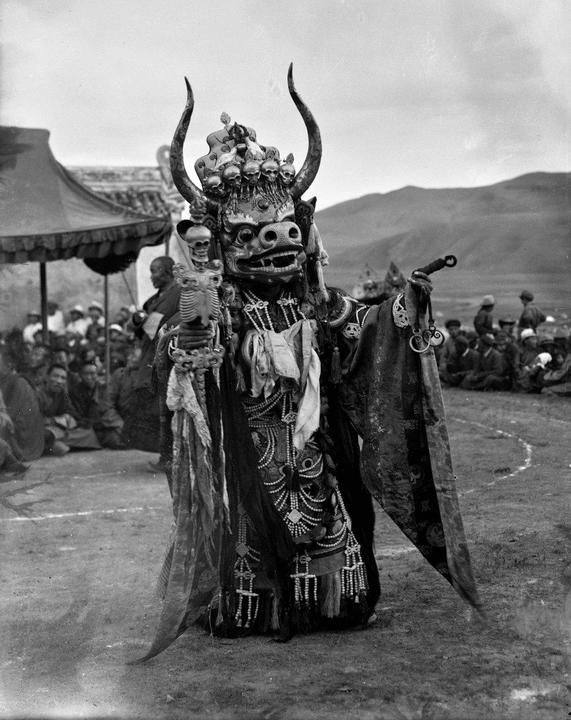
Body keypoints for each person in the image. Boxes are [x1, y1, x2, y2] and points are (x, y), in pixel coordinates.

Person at [137, 73, 481, 660]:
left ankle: (327, 597)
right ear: (222, 243)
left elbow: (365, 329)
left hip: (314, 455)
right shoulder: (222, 307)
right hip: (248, 453)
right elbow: (177, 352)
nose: (278, 242)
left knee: (340, 586)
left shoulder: (316, 304)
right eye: (249, 236)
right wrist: (187, 347)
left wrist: (406, 306)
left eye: (287, 230)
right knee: (242, 573)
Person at [127, 257, 180, 469]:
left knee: (170, 408)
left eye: (155, 271)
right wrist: (138, 320)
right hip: (151, 359)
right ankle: (165, 455)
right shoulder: (153, 299)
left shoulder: (179, 293)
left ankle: (172, 457)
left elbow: (176, 321)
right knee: (159, 410)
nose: (151, 276)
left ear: (168, 272)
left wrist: (149, 322)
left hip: (170, 359)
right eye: (150, 271)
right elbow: (144, 329)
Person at [38, 363, 100, 454]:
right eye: (56, 376)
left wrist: (77, 420)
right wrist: (54, 420)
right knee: (46, 435)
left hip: (58, 430)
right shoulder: (36, 394)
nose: (59, 381)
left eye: (63, 378)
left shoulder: (62, 393)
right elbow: (27, 418)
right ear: (47, 377)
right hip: (42, 429)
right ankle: (50, 445)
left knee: (89, 433)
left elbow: (70, 410)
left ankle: (51, 445)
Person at [0, 346, 44, 474]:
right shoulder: (3, 381)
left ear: (8, 363)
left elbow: (12, 415)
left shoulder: (18, 382)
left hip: (19, 435)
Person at [68, 361, 124, 449]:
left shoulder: (104, 389)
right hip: (88, 428)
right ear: (80, 375)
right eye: (86, 374)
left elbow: (112, 408)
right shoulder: (74, 391)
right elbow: (77, 415)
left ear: (97, 375)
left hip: (107, 426)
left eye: (92, 373)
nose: (89, 377)